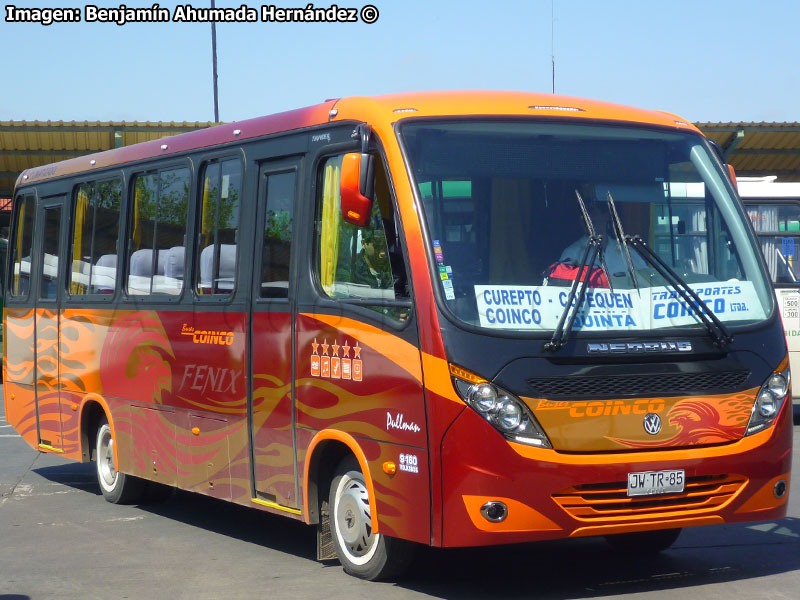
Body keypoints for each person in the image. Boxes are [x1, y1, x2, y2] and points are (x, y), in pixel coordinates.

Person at [554, 193, 645, 283]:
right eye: (583, 216)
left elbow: (648, 281)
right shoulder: (572, 253)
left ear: (606, 216)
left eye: (592, 213)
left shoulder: (626, 252)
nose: (588, 219)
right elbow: (562, 286)